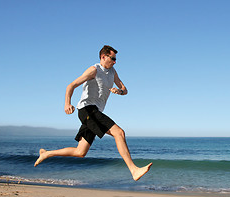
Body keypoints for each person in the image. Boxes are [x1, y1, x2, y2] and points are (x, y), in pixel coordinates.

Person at [34, 45, 152, 181]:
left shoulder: (113, 72)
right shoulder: (93, 70)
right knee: (119, 133)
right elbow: (71, 85)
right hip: (87, 109)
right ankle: (133, 170)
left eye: (115, 59)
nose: (114, 62)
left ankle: (46, 154)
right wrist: (67, 103)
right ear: (103, 57)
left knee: (80, 152)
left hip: (93, 112)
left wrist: (119, 91)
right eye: (112, 58)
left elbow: (125, 89)